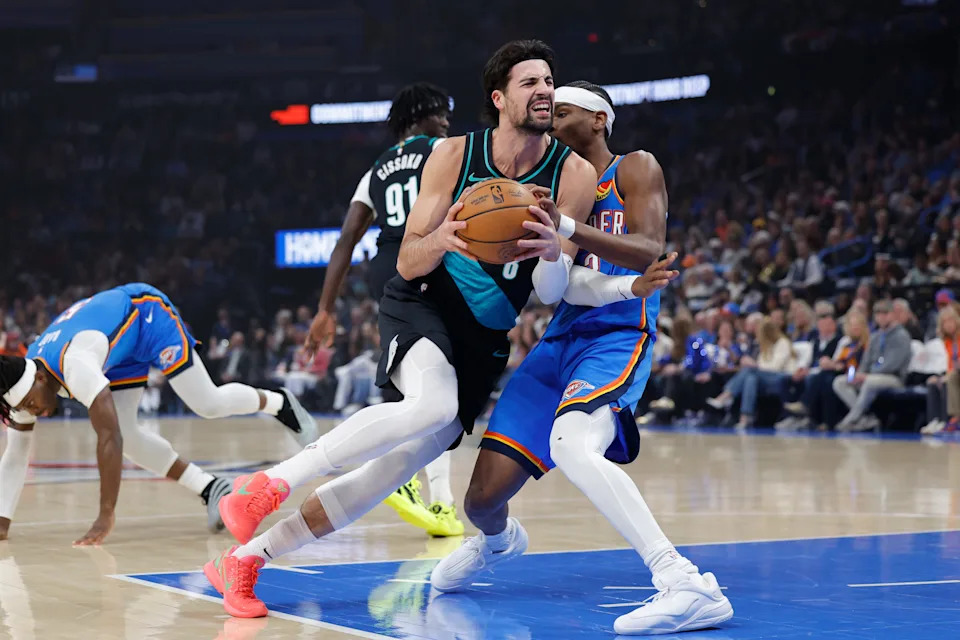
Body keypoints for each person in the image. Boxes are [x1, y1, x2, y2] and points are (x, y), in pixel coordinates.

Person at [202, 39, 599, 619]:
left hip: (484, 339)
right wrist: (444, 237)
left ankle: (246, 561)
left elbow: (549, 292)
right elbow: (409, 259)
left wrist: (552, 252)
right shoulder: (453, 155)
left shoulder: (574, 174)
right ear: (499, 97)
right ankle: (268, 483)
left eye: (549, 81)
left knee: (386, 474)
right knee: (432, 405)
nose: (544, 91)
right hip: (424, 301)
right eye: (529, 83)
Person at [428, 81, 731, 636]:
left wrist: (567, 231)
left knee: (572, 443)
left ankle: (686, 583)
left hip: (617, 335)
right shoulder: (559, 190)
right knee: (481, 500)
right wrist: (549, 247)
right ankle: (498, 545)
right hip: (563, 335)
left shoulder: (634, 167)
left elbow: (647, 248)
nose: (550, 115)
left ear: (597, 120)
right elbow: (561, 289)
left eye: (562, 110)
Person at [0, 283, 317, 545]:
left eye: (30, 404)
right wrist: (2, 523)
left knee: (207, 403)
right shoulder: (25, 383)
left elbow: (108, 437)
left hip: (146, 316)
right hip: (116, 349)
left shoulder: (76, 364)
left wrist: (105, 514)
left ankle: (279, 403)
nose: (33, 412)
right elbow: (15, 455)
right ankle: (210, 488)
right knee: (131, 437)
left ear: (41, 380)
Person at [302, 82, 463, 537]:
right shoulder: (447, 149)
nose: (447, 121)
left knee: (422, 379)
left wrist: (324, 309)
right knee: (443, 382)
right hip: (431, 257)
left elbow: (346, 239)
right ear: (420, 116)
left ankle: (441, 504)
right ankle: (414, 483)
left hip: (386, 267)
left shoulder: (376, 169)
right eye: (440, 112)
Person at [832, 299, 912, 431]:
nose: (881, 317)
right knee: (839, 382)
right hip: (871, 376)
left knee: (869, 381)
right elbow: (865, 361)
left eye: (885, 313)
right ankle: (865, 418)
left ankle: (850, 419)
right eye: (878, 314)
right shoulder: (875, 336)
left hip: (894, 378)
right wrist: (858, 374)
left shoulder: (901, 336)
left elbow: (893, 364)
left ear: (892, 315)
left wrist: (866, 375)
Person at [708, 318, 796, 428]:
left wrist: (754, 365)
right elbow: (761, 366)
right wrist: (754, 365)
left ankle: (726, 396)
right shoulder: (766, 346)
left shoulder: (782, 343)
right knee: (750, 378)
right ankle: (746, 417)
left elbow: (775, 367)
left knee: (750, 371)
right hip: (765, 378)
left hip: (783, 377)